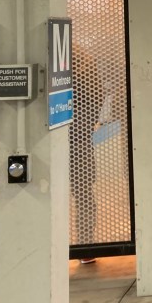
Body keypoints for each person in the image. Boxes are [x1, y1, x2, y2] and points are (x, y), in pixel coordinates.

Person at [69, 42, 101, 263]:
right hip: (80, 142)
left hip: (69, 141)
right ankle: (85, 244)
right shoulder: (88, 70)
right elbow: (97, 101)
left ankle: (82, 244)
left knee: (80, 194)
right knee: (83, 194)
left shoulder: (63, 71)